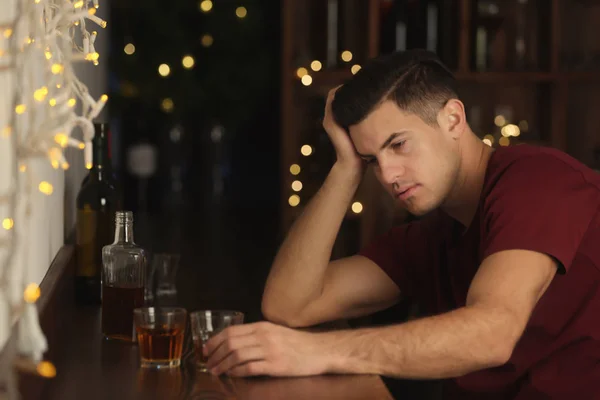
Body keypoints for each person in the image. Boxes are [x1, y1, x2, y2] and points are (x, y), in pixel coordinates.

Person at [203, 50, 600, 399]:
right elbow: (289, 305)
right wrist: (346, 168)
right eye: (373, 159)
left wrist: (316, 352)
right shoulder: (433, 235)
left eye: (398, 144)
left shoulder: (537, 181)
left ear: (453, 119)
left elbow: (492, 334)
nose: (388, 174)